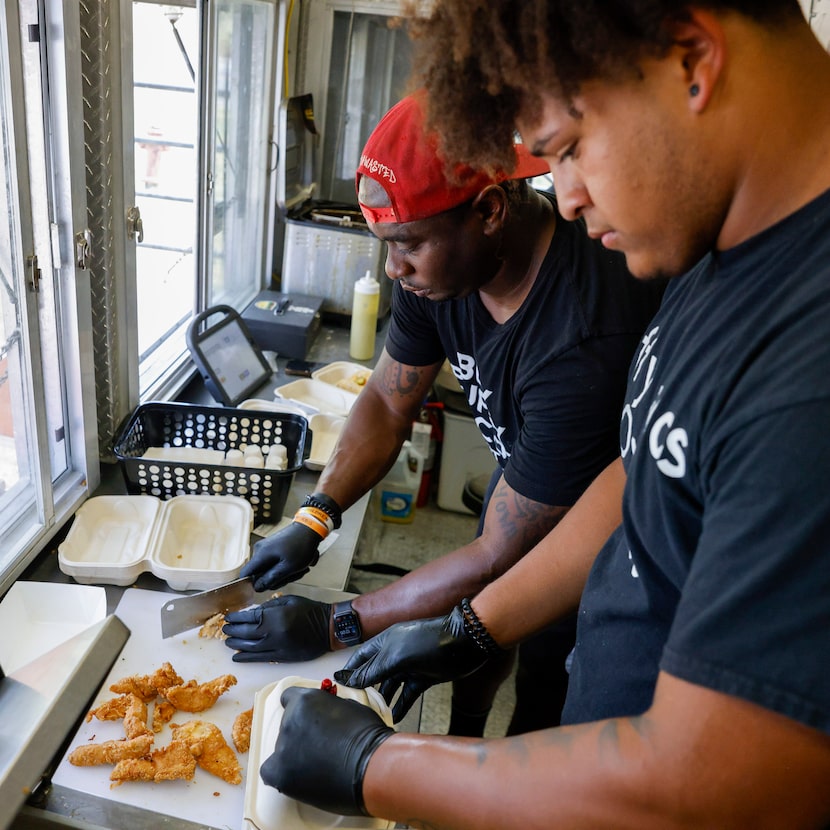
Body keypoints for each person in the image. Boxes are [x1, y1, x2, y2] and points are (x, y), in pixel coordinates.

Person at [259, 3, 830, 828]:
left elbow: (710, 782)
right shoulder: (720, 255)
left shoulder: (805, 354)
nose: (563, 197)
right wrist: (475, 629)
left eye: (568, 149)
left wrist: (377, 765)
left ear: (693, 61)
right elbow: (635, 475)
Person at [222, 92, 663, 736]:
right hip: (526, 482)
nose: (395, 270)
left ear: (488, 211)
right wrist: (316, 516)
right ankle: (466, 727)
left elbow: (497, 556)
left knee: (548, 693)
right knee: (474, 643)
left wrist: (338, 623)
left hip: (601, 546)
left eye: (407, 246)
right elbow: (386, 399)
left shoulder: (583, 335)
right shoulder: (438, 270)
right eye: (383, 246)